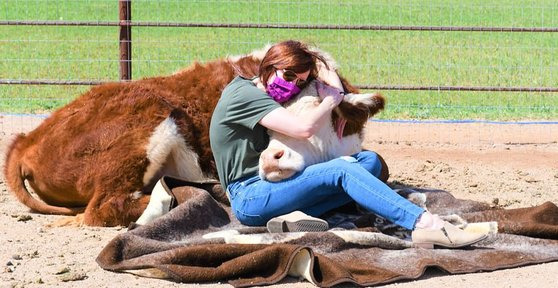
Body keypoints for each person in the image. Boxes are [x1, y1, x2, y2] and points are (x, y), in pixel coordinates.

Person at [209, 40, 487, 248]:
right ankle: (426, 225)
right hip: (250, 196)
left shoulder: (269, 93)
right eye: (288, 76)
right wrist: (332, 100)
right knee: (343, 170)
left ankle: (293, 217)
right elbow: (303, 128)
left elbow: (321, 75)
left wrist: (336, 94)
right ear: (268, 68)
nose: (293, 85)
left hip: (278, 188)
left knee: (370, 163)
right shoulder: (243, 94)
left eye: (301, 81)